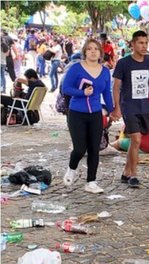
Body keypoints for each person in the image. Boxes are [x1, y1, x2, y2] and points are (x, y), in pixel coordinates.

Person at [111, 30, 149, 188]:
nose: (143, 46)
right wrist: (116, 107)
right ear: (133, 44)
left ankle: (126, 171)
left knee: (135, 143)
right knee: (136, 139)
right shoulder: (123, 63)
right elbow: (116, 87)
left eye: (145, 43)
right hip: (128, 106)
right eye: (140, 43)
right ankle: (133, 175)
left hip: (144, 107)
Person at [61, 39, 114, 193]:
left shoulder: (104, 71)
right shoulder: (76, 68)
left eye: (96, 49)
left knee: (94, 149)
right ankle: (72, 168)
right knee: (79, 149)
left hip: (96, 114)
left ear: (100, 52)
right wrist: (82, 93)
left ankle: (91, 182)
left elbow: (106, 93)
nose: (93, 51)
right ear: (84, 52)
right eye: (89, 49)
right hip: (77, 113)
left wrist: (112, 110)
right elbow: (66, 88)